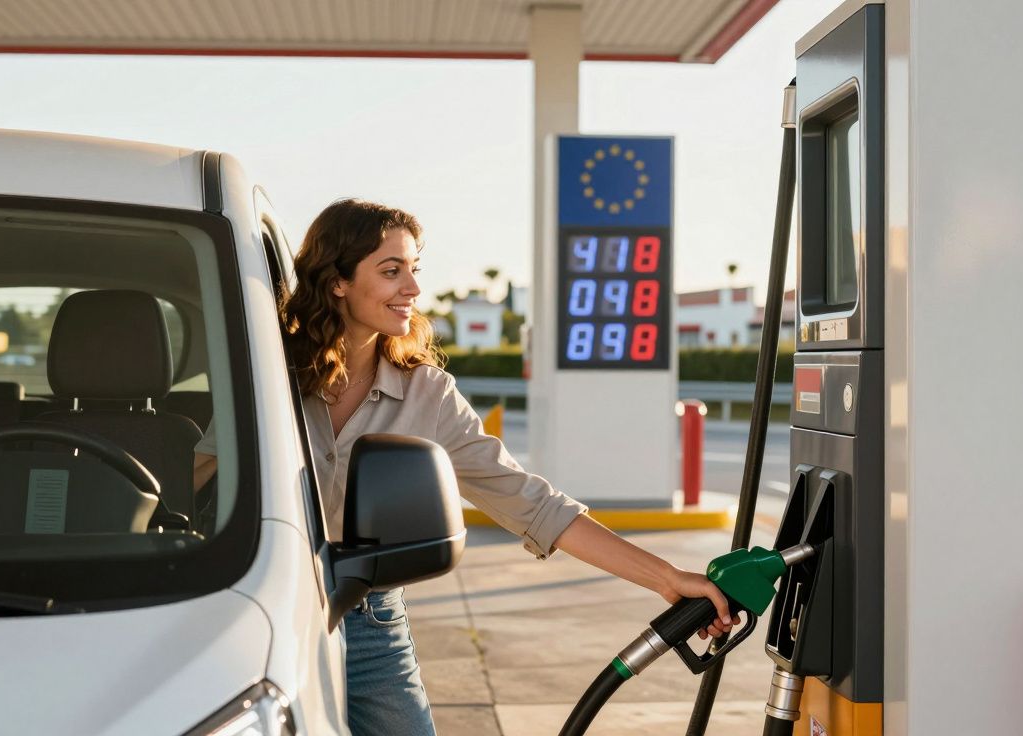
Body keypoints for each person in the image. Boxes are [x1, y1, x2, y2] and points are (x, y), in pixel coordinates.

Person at [194, 198, 736, 735]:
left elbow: (531, 503)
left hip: (368, 621)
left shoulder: (427, 393)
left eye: (413, 269)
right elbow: (192, 486)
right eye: (391, 271)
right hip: (255, 605)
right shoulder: (267, 372)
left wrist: (666, 578)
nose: (412, 288)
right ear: (337, 281)